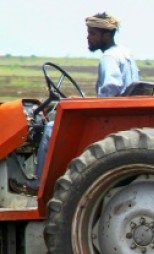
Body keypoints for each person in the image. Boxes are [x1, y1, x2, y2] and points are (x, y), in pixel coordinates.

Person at [20, 12, 141, 195]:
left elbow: (111, 88)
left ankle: (38, 185)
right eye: (88, 33)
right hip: (122, 113)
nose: (88, 38)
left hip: (108, 118)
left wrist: (88, 105)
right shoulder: (125, 53)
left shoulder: (109, 57)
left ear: (106, 35)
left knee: (51, 128)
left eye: (92, 33)